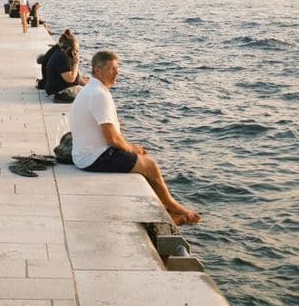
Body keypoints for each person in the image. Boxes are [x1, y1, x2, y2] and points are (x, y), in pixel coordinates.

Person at [70, 49, 201, 227]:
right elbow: (112, 140)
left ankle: (166, 211)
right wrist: (133, 148)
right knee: (150, 165)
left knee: (141, 161)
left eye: (117, 68)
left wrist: (130, 147)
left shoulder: (93, 89)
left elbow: (111, 131)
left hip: (83, 154)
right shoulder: (99, 95)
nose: (117, 72)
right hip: (93, 158)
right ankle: (172, 206)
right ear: (98, 71)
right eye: (112, 69)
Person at [45, 29, 87, 102]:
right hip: (58, 92)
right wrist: (76, 63)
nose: (77, 53)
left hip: (61, 89)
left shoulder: (63, 54)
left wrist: (86, 84)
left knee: (91, 88)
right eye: (76, 51)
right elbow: (70, 79)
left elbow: (76, 77)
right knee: (91, 95)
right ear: (69, 49)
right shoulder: (62, 57)